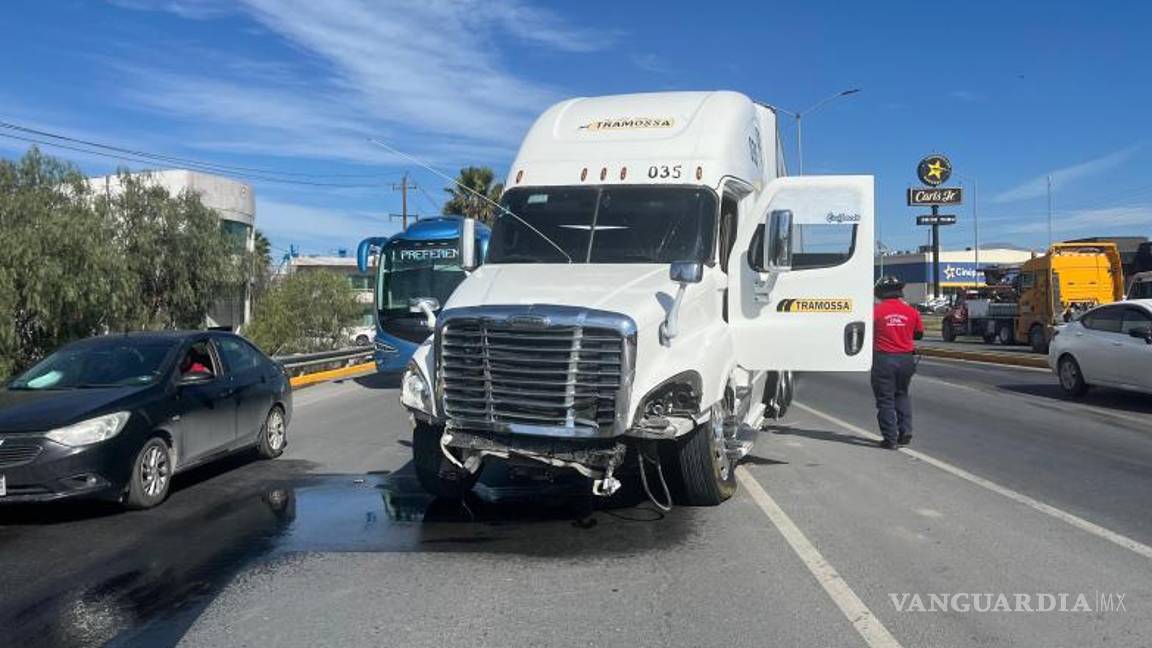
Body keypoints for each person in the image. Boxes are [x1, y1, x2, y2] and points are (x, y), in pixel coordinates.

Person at [871, 276, 923, 449]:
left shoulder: (875, 312)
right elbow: (918, 334)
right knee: (901, 394)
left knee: (885, 400)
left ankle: (890, 439)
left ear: (880, 292)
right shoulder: (912, 312)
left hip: (884, 358)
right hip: (906, 359)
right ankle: (905, 430)